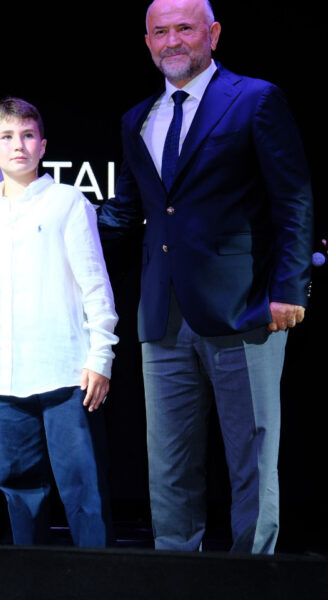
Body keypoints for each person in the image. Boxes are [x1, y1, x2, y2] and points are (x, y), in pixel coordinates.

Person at [98, 0, 314, 553]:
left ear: (213, 34)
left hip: (245, 309)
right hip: (162, 314)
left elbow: (292, 199)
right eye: (160, 31)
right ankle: (175, 574)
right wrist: (41, 212)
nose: (172, 40)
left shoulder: (256, 99)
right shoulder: (137, 118)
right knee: (168, 463)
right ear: (147, 42)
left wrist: (289, 289)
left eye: (184, 28)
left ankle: (253, 578)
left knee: (251, 457)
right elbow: (126, 212)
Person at [0, 98, 117, 547]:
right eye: (6, 137)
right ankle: (28, 577)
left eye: (28, 135)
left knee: (83, 489)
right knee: (18, 488)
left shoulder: (67, 202)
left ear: (43, 145)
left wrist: (100, 357)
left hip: (65, 373)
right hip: (1, 374)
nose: (18, 145)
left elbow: (95, 284)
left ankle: (99, 578)